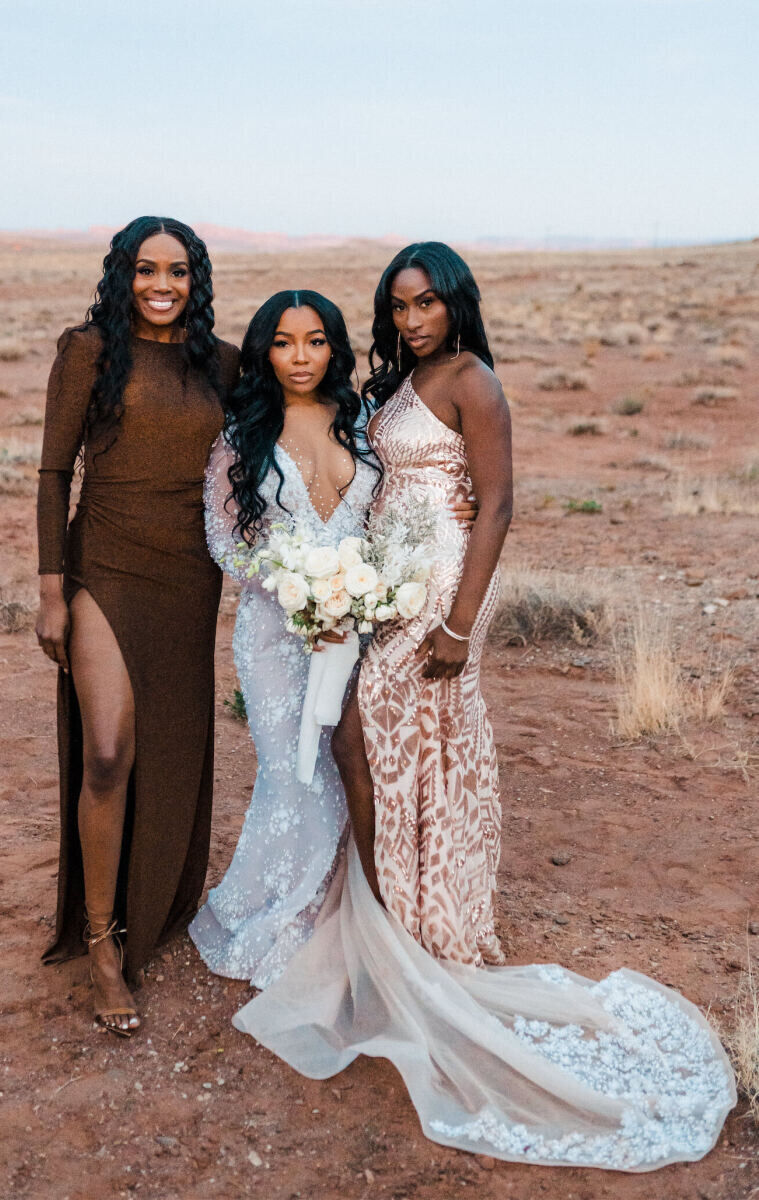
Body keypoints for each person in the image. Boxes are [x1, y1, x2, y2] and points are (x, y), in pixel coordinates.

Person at [232, 243, 736, 1169]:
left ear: (457, 304)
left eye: (426, 304)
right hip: (389, 578)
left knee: (398, 731)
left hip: (447, 583)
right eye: (398, 307)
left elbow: (498, 506)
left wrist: (461, 624)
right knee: (379, 741)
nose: (411, 320)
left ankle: (421, 928)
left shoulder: (473, 381)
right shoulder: (399, 382)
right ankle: (396, 921)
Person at [191, 289, 476, 986]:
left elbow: (413, 488)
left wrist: (453, 502)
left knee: (354, 763)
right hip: (275, 633)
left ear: (334, 348)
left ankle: (355, 911)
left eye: (315, 341)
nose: (299, 357)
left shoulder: (365, 422)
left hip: (362, 630)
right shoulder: (239, 436)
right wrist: (299, 590)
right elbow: (224, 541)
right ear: (263, 351)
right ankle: (286, 913)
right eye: (283, 343)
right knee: (292, 769)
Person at [36, 216, 239, 1036]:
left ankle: (154, 898)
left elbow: (294, 426)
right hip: (104, 567)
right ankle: (100, 943)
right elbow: (54, 472)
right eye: (146, 269)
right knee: (110, 747)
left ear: (197, 278)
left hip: (189, 577)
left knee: (170, 741)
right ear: (123, 275)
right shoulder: (86, 350)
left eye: (179, 271)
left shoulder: (221, 365)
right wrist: (52, 591)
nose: (163, 285)